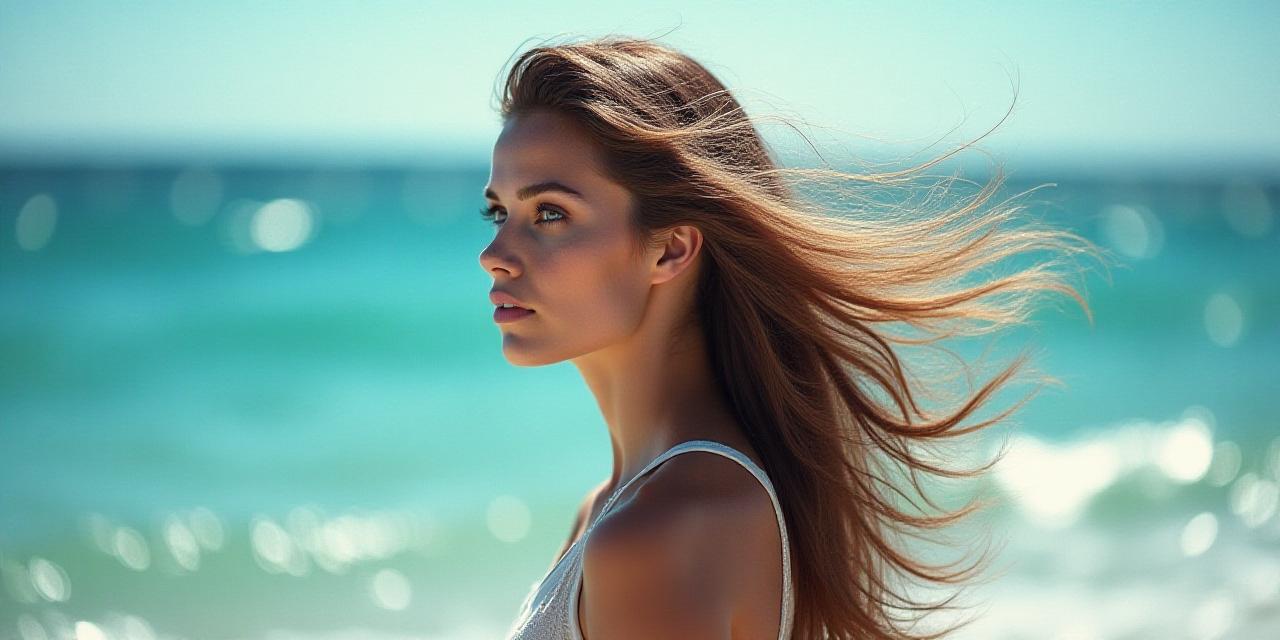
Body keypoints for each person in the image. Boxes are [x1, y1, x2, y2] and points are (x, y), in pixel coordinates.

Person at [479, 36, 1101, 640]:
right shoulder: (622, 508)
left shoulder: (661, 531)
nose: (494, 255)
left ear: (671, 248)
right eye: (499, 212)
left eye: (550, 214)